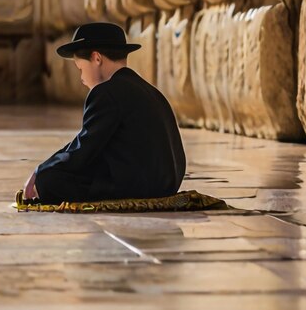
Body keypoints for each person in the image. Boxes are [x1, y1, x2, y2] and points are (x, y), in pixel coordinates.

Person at [23, 22, 186, 204]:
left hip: (140, 187)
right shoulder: (148, 90)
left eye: (81, 69)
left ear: (97, 58)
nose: (82, 79)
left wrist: (41, 171)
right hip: (167, 184)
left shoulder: (106, 92)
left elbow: (83, 150)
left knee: (51, 180)